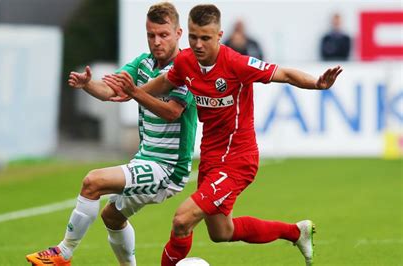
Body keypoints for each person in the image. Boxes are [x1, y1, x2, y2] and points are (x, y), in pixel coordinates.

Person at [104, 4, 343, 266]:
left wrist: (317, 83)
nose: (198, 44)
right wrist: (134, 92)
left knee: (182, 220)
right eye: (193, 37)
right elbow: (165, 83)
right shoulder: (185, 62)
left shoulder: (236, 63)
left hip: (238, 159)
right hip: (211, 156)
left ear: (219, 35)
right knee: (221, 232)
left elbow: (283, 74)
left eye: (205, 38)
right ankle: (296, 232)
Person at [25, 2, 197, 266]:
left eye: (163, 35)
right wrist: (88, 85)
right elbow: (111, 90)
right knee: (112, 217)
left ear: (178, 33)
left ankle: (63, 253)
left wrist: (135, 93)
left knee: (93, 182)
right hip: (145, 160)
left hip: (168, 168)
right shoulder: (143, 63)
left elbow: (172, 112)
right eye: (151, 35)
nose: (156, 41)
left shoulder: (185, 69)